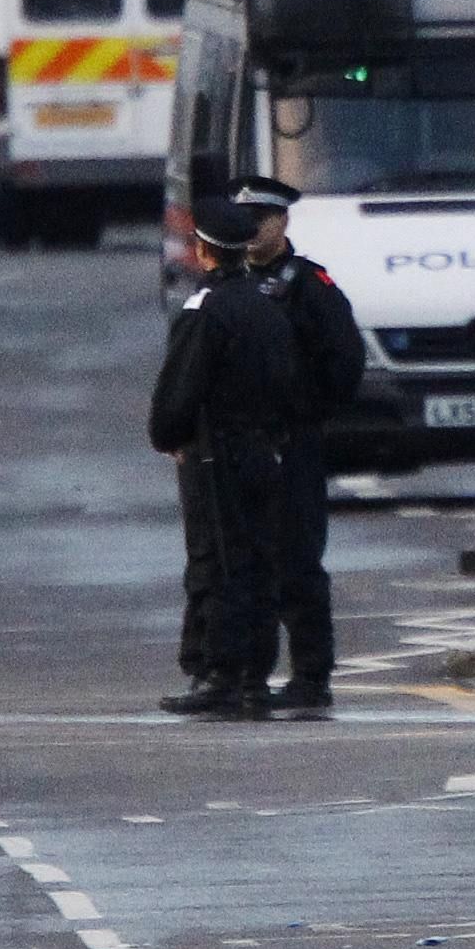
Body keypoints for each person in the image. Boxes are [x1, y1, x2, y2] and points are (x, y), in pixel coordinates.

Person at [151, 199, 303, 719]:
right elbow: (289, 384)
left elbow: (181, 386)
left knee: (214, 562)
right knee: (259, 561)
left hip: (214, 455)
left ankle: (218, 673)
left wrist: (168, 433)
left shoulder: (205, 310)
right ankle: (257, 675)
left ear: (203, 250)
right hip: (263, 449)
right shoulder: (268, 306)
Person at [233, 174, 365, 714]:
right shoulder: (228, 283)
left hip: (293, 443)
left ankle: (311, 676)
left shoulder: (311, 286)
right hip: (241, 444)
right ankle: (247, 675)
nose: (252, 231)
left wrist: (309, 416)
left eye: (261, 220)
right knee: (244, 563)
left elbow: (345, 362)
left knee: (297, 562)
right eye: (244, 222)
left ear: (283, 222)